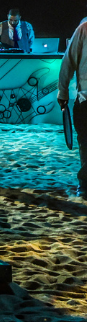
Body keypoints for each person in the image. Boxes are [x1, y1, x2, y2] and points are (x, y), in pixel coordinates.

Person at [59, 21, 87, 198]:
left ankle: (85, 184)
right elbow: (68, 61)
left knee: (85, 141)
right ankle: (85, 183)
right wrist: (63, 91)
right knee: (85, 140)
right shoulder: (84, 29)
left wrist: (63, 92)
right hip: (86, 97)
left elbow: (68, 61)